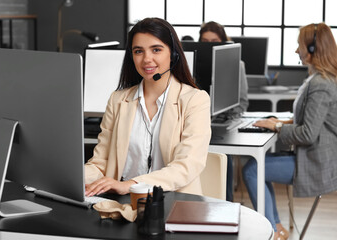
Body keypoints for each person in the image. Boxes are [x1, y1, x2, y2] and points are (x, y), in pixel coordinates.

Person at [84, 18, 211, 197]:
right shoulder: (118, 100)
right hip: (123, 200)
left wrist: (131, 184)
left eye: (156, 50)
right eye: (138, 51)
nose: (146, 59)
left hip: (172, 200)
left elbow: (186, 166)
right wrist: (73, 178)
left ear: (173, 54)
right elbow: (100, 163)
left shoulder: (195, 100)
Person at [242, 23, 337, 240]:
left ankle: (272, 232)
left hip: (317, 163)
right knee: (256, 166)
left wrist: (276, 126)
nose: (296, 51)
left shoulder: (321, 83)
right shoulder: (320, 78)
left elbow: (308, 134)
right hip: (312, 156)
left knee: (252, 170)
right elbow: (311, 119)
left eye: (299, 46)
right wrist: (282, 121)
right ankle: (276, 228)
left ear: (313, 49)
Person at [199, 21, 249, 202]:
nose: (210, 45)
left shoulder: (237, 65)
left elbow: (242, 103)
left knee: (222, 159)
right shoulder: (190, 62)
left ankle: (225, 204)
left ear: (223, 41)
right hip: (195, 123)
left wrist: (223, 115)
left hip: (221, 125)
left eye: (214, 40)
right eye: (204, 41)